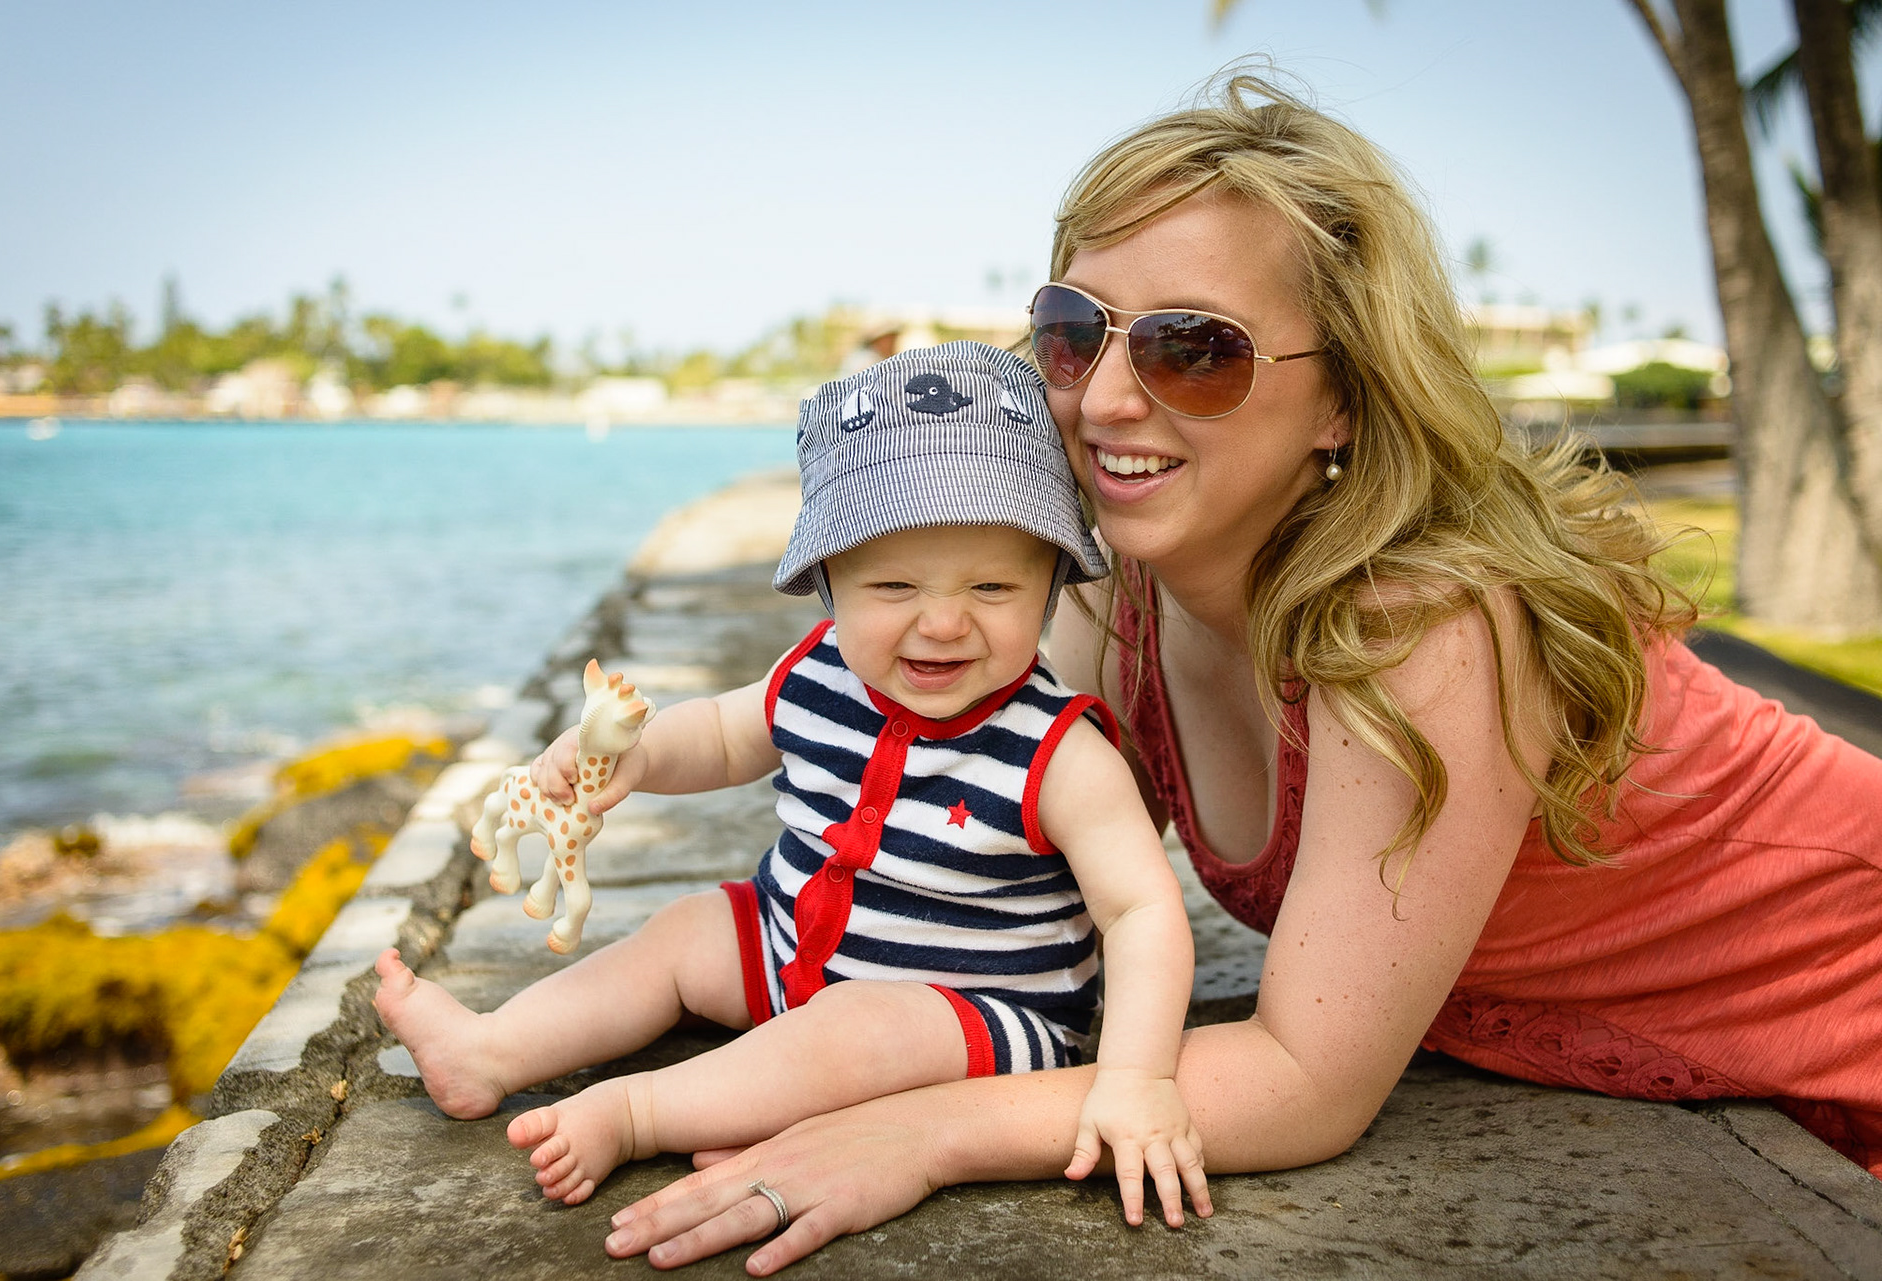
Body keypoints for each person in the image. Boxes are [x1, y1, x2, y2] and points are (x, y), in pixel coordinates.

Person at [594, 72, 1882, 1276]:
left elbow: (1306, 1079)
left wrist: (927, 1129)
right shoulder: (1121, 598)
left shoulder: (1424, 624)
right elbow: (971, 873)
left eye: (1191, 350)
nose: (1101, 399)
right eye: (1069, 331)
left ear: (1344, 399)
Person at [373, 341, 1211, 1227]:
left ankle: (638, 1111)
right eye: (892, 584)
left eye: (994, 586)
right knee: (686, 931)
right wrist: (638, 758)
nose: (943, 620)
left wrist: (1136, 1077)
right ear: (828, 586)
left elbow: (1142, 911)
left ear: (1048, 590)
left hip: (977, 1018)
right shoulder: (819, 674)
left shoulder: (1057, 751)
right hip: (793, 955)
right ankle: (491, 1048)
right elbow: (728, 733)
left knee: (852, 1033)